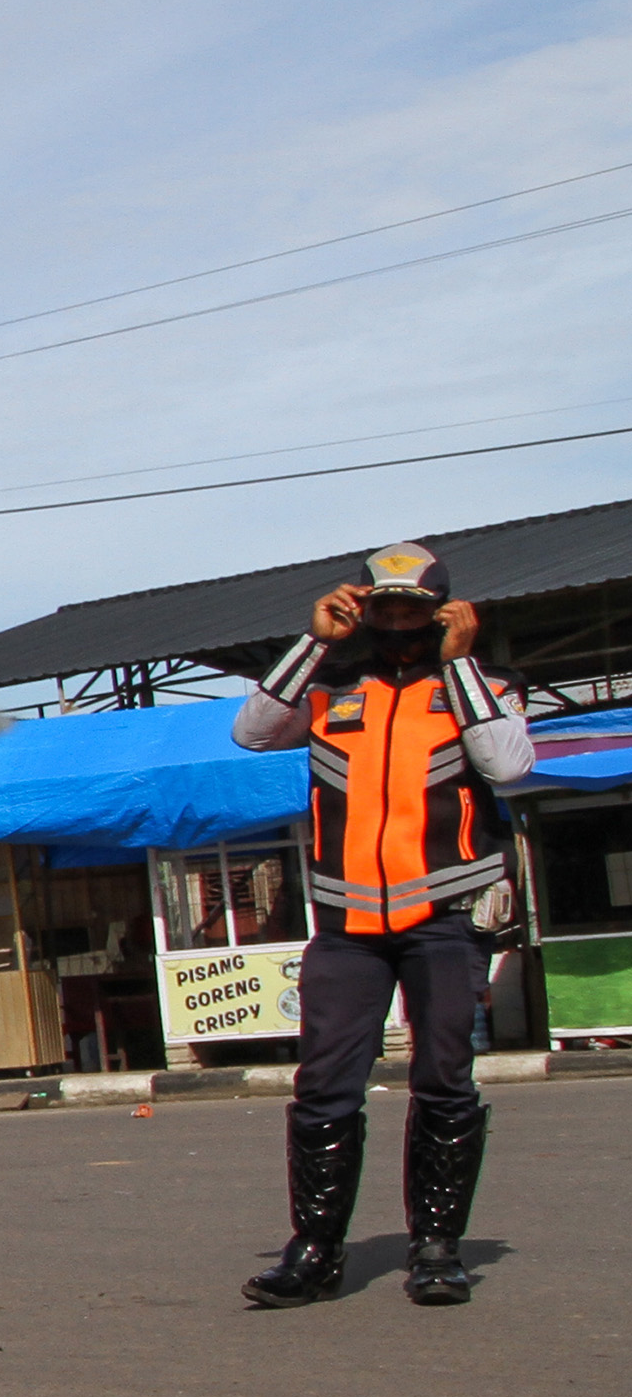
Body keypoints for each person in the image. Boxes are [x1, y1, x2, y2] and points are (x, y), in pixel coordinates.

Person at [232, 542, 531, 1307]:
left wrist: (460, 666)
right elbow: (253, 732)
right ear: (362, 609)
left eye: (412, 609)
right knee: (324, 1085)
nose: (398, 622)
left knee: (444, 1080)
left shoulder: (490, 685)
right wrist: (313, 643)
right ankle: (315, 1252)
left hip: (445, 919)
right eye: (384, 608)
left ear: (443, 612)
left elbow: (507, 768)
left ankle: (437, 1249)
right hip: (347, 925)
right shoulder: (329, 688)